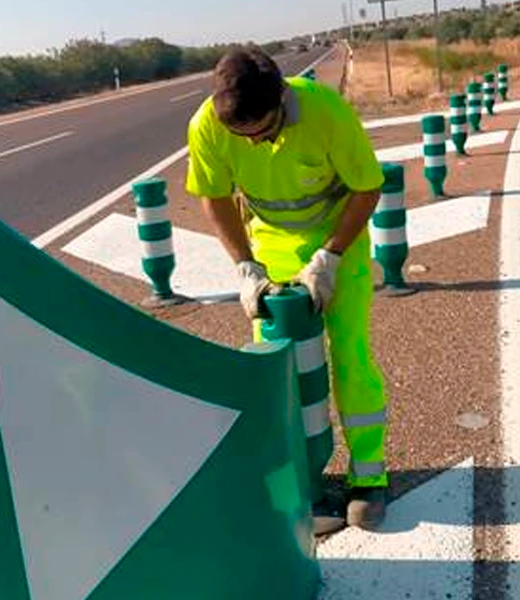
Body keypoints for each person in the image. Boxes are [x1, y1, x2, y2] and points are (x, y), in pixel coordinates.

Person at [185, 47, 389, 533]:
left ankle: (370, 477)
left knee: (350, 356)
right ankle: (303, 481)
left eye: (265, 131)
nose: (255, 143)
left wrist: (331, 257)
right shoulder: (208, 126)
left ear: (282, 98)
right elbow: (215, 198)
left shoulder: (325, 111)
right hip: (271, 243)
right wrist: (246, 269)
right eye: (243, 136)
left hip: (339, 238)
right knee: (277, 367)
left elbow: (367, 188)